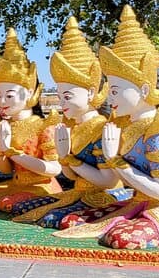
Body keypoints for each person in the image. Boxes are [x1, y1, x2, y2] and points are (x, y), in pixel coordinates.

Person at [55, 6, 159, 252]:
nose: (110, 97)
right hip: (136, 202)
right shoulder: (124, 126)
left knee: (122, 238)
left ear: (144, 89)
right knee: (72, 221)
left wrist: (115, 160)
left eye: (115, 90)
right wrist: (66, 156)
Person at [11, 18, 131, 228]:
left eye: (67, 96)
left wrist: (69, 159)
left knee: (55, 219)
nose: (61, 102)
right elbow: (70, 175)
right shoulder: (72, 128)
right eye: (60, 96)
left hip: (107, 194)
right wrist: (65, 158)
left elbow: (109, 181)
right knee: (23, 208)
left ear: (91, 92)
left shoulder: (101, 129)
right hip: (79, 191)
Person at [0, 29, 62, 212]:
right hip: (16, 184)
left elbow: (54, 169)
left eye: (9, 96)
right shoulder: (7, 126)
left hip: (42, 186)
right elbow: (5, 170)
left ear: (29, 92)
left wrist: (12, 153)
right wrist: (2, 150)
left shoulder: (44, 126)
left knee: (7, 203)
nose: (2, 101)